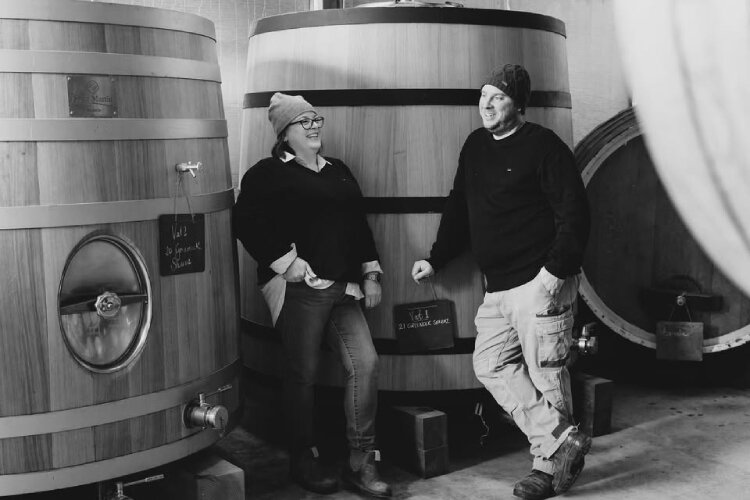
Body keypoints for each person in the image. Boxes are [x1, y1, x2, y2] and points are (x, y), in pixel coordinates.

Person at [411, 64, 591, 500]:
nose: (487, 105)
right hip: (498, 286)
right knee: (489, 363)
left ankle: (547, 468)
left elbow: (575, 213)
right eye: (484, 95)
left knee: (547, 374)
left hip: (539, 281)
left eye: (498, 97)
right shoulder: (476, 146)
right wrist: (436, 259)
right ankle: (562, 438)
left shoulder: (544, 146)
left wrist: (553, 274)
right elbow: (460, 207)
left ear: (519, 104)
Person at [233, 92, 391, 497]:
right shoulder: (267, 173)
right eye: (303, 121)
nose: (314, 126)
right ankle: (303, 458)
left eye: (316, 119)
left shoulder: (338, 170)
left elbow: (358, 225)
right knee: (302, 374)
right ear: (284, 132)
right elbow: (245, 222)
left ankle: (361, 460)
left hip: (343, 288)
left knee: (366, 365)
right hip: (300, 287)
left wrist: (371, 273)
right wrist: (286, 262)